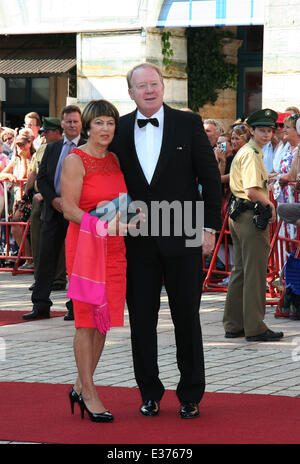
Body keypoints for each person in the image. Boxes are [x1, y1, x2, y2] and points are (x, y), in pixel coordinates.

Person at [110, 62, 222, 419]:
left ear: (163, 86)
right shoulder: (121, 128)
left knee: (186, 316)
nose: (149, 90)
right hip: (137, 239)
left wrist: (208, 229)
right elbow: (113, 185)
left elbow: (209, 176)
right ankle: (149, 391)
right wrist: (112, 226)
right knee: (142, 318)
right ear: (130, 93)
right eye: (141, 86)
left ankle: (191, 393)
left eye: (154, 83)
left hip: (184, 232)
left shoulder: (188, 123)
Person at [61, 99, 140, 423]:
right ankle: (90, 393)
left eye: (110, 123)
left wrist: (133, 216)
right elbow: (69, 209)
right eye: (99, 123)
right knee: (85, 320)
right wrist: (105, 226)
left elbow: (120, 201)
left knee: (103, 321)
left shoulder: (114, 160)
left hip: (114, 248)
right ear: (88, 126)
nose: (105, 129)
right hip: (84, 249)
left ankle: (81, 385)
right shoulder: (75, 161)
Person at [223, 108, 284, 342]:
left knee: (240, 270)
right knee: (255, 272)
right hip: (249, 214)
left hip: (238, 213)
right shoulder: (251, 153)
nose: (267, 134)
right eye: (262, 130)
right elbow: (250, 190)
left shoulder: (249, 151)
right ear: (251, 131)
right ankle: (255, 327)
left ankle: (234, 324)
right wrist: (270, 204)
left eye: (270, 130)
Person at [23, 105, 85, 320]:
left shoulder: (87, 147)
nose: (72, 125)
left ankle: (75, 305)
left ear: (81, 124)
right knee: (46, 257)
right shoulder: (52, 148)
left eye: (75, 121)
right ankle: (40, 304)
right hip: (54, 210)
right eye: (68, 122)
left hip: (77, 212)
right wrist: (54, 200)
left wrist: (71, 203)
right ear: (62, 124)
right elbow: (43, 179)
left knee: (77, 260)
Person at [23, 117, 66, 292]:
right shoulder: (42, 149)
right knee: (39, 239)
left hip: (59, 198)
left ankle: (58, 278)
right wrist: (26, 193)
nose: (44, 135)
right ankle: (41, 278)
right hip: (40, 198)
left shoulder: (65, 148)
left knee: (60, 241)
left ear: (57, 132)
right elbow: (34, 171)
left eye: (47, 132)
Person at [0, 133, 33, 266]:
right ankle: (28, 258)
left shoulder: (33, 158)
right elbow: (1, 173)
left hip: (28, 198)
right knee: (16, 228)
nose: (19, 147)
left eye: (22, 144)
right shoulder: (16, 159)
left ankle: (31, 258)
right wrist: (8, 174)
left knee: (24, 228)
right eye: (17, 144)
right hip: (18, 199)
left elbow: (26, 175)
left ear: (29, 143)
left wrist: (24, 158)